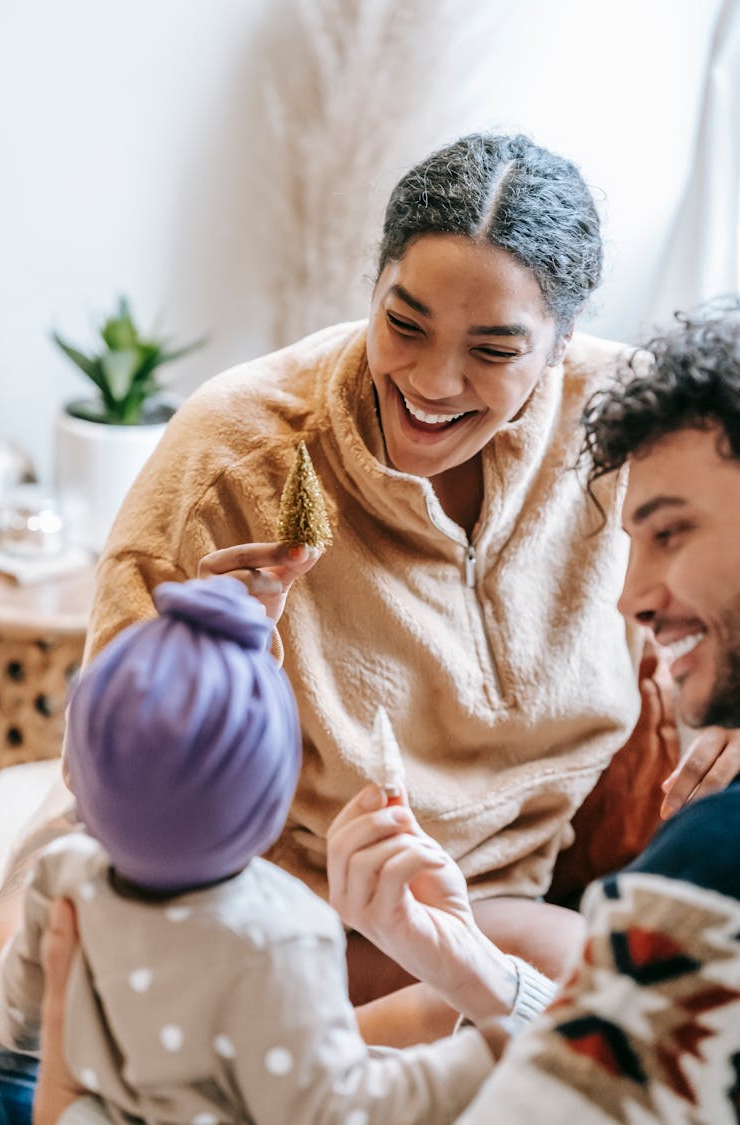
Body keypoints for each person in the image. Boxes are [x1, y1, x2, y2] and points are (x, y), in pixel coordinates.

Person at [0, 133, 737, 1029]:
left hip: (486, 901)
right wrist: (212, 662)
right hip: (256, 886)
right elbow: (106, 759)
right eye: (405, 322)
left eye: (494, 350)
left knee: (577, 966)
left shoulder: (626, 422)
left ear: (563, 343)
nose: (431, 381)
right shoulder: (240, 453)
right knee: (32, 977)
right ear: (374, 286)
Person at [325, 302, 740, 1122]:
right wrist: (466, 965)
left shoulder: (713, 855)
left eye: (671, 533)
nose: (632, 598)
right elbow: (608, 1077)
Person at [0, 574, 552, 1125]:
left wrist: (17, 1095)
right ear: (269, 801)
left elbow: (19, 1033)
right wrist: (485, 1054)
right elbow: (338, 1107)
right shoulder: (287, 929)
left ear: (83, 786)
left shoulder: (62, 875)